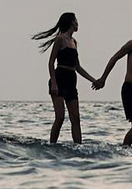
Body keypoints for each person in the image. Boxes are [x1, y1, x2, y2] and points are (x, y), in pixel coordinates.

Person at [33, 11, 103, 144]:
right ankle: (52, 145)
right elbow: (51, 62)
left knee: (75, 118)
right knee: (60, 117)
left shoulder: (74, 42)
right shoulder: (60, 39)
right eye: (76, 21)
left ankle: (79, 146)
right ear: (71, 22)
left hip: (71, 81)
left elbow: (78, 67)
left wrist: (94, 80)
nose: (78, 24)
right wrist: (54, 83)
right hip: (59, 78)